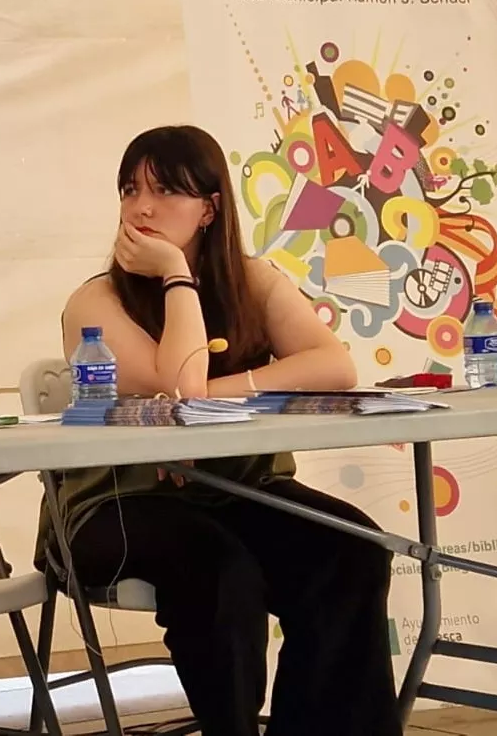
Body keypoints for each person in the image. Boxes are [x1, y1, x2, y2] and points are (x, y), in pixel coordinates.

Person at [35, 125, 400, 736]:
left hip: (238, 490)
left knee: (353, 548)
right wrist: (176, 274)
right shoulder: (95, 302)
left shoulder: (252, 282)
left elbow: (334, 366)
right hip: (117, 502)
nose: (142, 207)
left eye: (165, 191)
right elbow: (180, 388)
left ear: (210, 208)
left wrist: (223, 393)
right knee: (221, 570)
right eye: (129, 191)